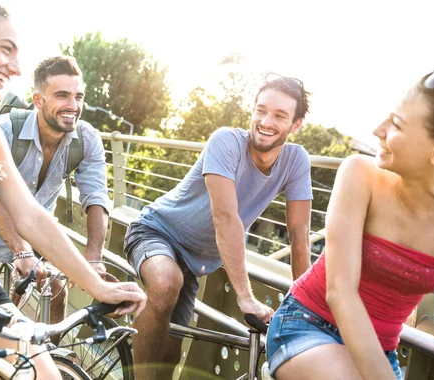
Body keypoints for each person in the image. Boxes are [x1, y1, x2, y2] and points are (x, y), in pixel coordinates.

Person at [0, 1, 146, 379]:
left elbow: (32, 217)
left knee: (43, 373)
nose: (17, 68)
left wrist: (96, 285)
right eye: (4, 49)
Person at [266, 68, 434, 380]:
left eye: (396, 124)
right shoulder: (359, 173)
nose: (377, 130)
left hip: (379, 351)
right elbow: (340, 291)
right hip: (305, 324)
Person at [124, 73, 314, 379]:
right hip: (155, 231)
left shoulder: (296, 160)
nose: (266, 121)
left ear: (295, 126)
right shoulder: (226, 141)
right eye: (261, 110)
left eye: (279, 116)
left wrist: (307, 306)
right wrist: (245, 297)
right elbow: (225, 218)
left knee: (169, 356)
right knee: (164, 282)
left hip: (193, 262)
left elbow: (299, 234)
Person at [0, 56, 112, 340]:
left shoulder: (87, 139)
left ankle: (52, 354)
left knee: (57, 287)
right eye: (62, 95)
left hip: (37, 233)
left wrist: (94, 259)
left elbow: (96, 195)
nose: (73, 106)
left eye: (78, 96)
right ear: (37, 100)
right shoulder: (3, 130)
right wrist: (20, 251)